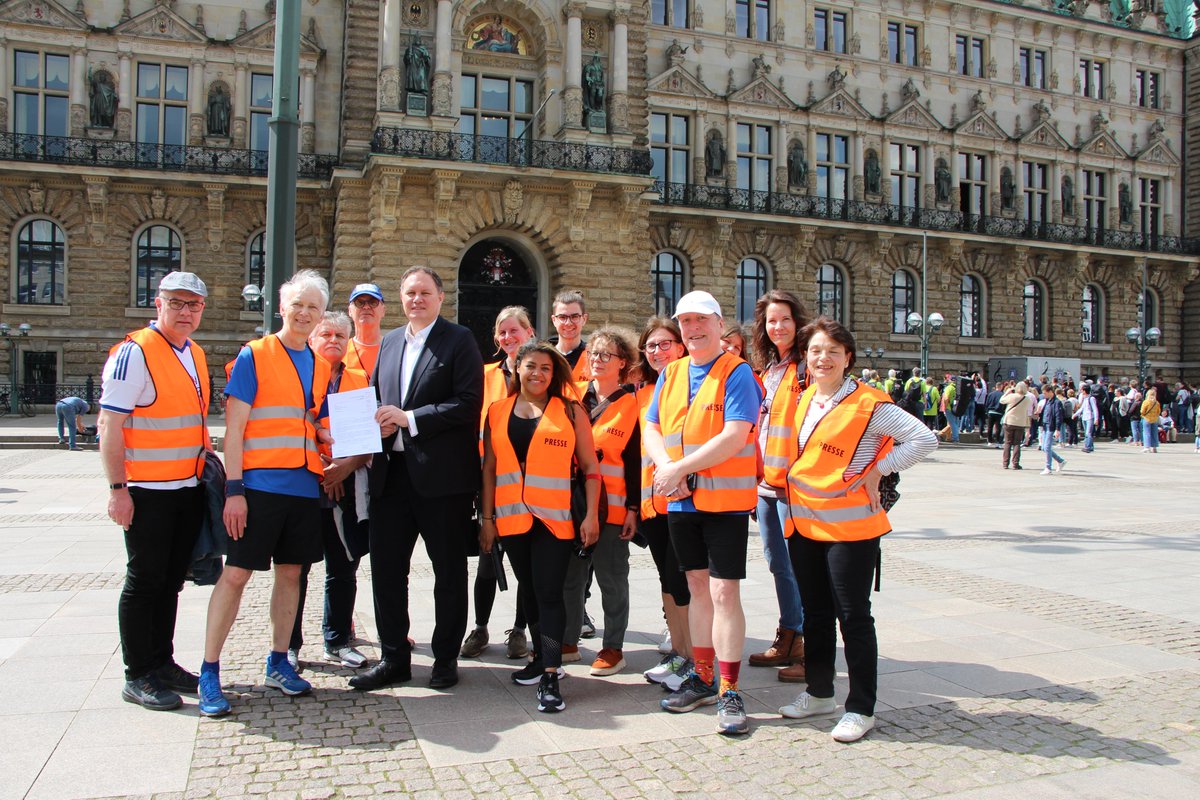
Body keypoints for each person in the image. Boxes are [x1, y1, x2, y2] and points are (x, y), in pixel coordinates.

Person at [777, 316, 936, 743]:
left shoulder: (870, 404)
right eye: (814, 350)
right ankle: (819, 692)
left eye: (832, 351)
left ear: (848, 357)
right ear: (805, 358)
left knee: (853, 617)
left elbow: (924, 439)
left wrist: (879, 471)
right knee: (816, 614)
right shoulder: (805, 398)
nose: (822, 358)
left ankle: (861, 708)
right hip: (804, 523)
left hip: (850, 529)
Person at [198, 270, 332, 717]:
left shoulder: (320, 362)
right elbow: (232, 432)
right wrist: (234, 491)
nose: (305, 313)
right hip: (257, 489)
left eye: (313, 306)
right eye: (298, 305)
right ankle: (209, 671)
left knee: (291, 575)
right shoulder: (254, 355)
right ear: (282, 308)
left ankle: (279, 661)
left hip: (302, 487)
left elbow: (307, 419)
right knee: (236, 575)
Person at [350, 266, 483, 692]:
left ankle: (445, 658)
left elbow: (467, 403)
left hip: (443, 482)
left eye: (425, 292)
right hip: (391, 477)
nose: (416, 300)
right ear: (401, 298)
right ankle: (394, 659)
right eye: (409, 293)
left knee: (448, 572)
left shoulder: (459, 340)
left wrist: (408, 419)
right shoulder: (389, 342)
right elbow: (374, 398)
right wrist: (375, 425)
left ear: (441, 298)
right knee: (387, 572)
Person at [643, 290, 763, 736]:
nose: (692, 329)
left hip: (723, 503)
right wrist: (667, 467)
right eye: (685, 321)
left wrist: (678, 468)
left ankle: (730, 688)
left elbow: (736, 434)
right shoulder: (672, 372)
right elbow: (652, 425)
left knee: (723, 593)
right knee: (695, 586)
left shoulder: (737, 372)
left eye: (700, 321)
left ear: (718, 324)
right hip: (681, 500)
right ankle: (703, 675)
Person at [98, 271, 211, 711]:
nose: (185, 312)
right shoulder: (134, 353)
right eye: (177, 303)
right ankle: (138, 673)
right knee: (144, 581)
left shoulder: (194, 352)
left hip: (185, 487)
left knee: (170, 582)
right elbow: (110, 426)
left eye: (194, 305)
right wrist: (117, 489)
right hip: (146, 490)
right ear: (158, 304)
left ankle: (161, 663)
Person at [479, 342, 601, 712]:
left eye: (546, 368)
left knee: (549, 593)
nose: (538, 374)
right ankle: (538, 658)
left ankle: (551, 672)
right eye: (531, 366)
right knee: (529, 591)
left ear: (555, 374)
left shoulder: (570, 410)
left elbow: (590, 468)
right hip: (512, 519)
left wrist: (592, 515)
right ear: (517, 368)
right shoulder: (497, 411)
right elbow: (488, 469)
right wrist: (486, 520)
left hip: (554, 521)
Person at [289, 312, 372, 671]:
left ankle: (337, 639)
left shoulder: (358, 378)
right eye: (326, 334)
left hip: (346, 486)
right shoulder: (299, 376)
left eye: (341, 334)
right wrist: (326, 470)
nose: (334, 340)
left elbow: (369, 435)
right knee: (296, 569)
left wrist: (345, 468)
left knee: (343, 567)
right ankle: (287, 645)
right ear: (312, 338)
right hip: (306, 484)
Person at [559, 328, 640, 676]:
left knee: (611, 578)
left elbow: (637, 462)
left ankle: (613, 648)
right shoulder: (572, 397)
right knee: (571, 576)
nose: (597, 360)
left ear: (623, 363)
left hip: (614, 508)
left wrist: (634, 509)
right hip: (572, 504)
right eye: (594, 353)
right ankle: (568, 640)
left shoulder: (632, 404)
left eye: (606, 354)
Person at [461, 306, 535, 661]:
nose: (508, 337)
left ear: (529, 332)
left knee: (525, 562)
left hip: (528, 483)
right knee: (487, 558)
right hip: (489, 481)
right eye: (502, 333)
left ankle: (519, 630)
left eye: (514, 331)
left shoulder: (538, 373)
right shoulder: (485, 374)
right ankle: (479, 627)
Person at [747, 290, 809, 682]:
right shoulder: (769, 369)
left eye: (785, 319)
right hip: (766, 484)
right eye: (771, 321)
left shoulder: (806, 368)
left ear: (797, 323)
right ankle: (788, 634)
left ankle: (807, 646)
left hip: (795, 484)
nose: (778, 327)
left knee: (802, 566)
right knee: (778, 564)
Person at [635, 318, 693, 691]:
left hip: (684, 500)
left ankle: (691, 658)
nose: (658, 351)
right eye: (651, 346)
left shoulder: (693, 384)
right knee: (667, 581)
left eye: (665, 344)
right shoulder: (642, 391)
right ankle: (679, 653)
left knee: (684, 581)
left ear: (682, 346)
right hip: (652, 502)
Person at [344, 283, 386, 379]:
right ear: (350, 311)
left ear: (383, 310)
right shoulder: (341, 351)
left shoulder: (394, 350)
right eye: (359, 303)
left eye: (373, 302)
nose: (366, 307)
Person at [550, 290, 591, 383]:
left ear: (584, 319)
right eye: (562, 317)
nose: (568, 323)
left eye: (575, 316)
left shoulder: (594, 358)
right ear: (554, 320)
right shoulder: (544, 356)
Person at [999, 382, 1032, 469]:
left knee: (1007, 443)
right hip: (1020, 422)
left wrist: (1007, 392)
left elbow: (1001, 400)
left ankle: (1005, 463)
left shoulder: (1012, 396)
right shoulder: (1027, 399)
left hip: (1009, 421)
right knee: (1017, 443)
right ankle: (1015, 463)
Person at [1037, 384, 1066, 475]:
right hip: (1045, 425)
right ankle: (1060, 461)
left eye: (1045, 393)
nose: (1044, 395)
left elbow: (1058, 416)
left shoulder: (1057, 402)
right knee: (1044, 448)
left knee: (1047, 447)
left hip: (1051, 426)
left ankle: (1048, 467)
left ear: (1050, 392)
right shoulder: (1047, 401)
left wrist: (1057, 429)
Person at [1075, 383, 1100, 454]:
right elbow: (1082, 408)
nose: (1081, 392)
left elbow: (1095, 409)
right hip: (1084, 417)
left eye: (1082, 390)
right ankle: (1090, 446)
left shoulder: (1091, 398)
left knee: (1088, 433)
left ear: (1084, 391)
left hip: (1090, 417)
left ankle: (1088, 447)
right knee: (1087, 432)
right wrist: (1075, 414)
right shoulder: (1085, 399)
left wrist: (1096, 419)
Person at [1140, 388, 1161, 454]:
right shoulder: (1157, 403)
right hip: (1154, 419)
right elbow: (1159, 411)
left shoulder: (1146, 402)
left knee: (1146, 433)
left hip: (1147, 419)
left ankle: (1147, 447)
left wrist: (1143, 414)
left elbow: (1142, 411)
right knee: (1154, 433)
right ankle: (1154, 447)